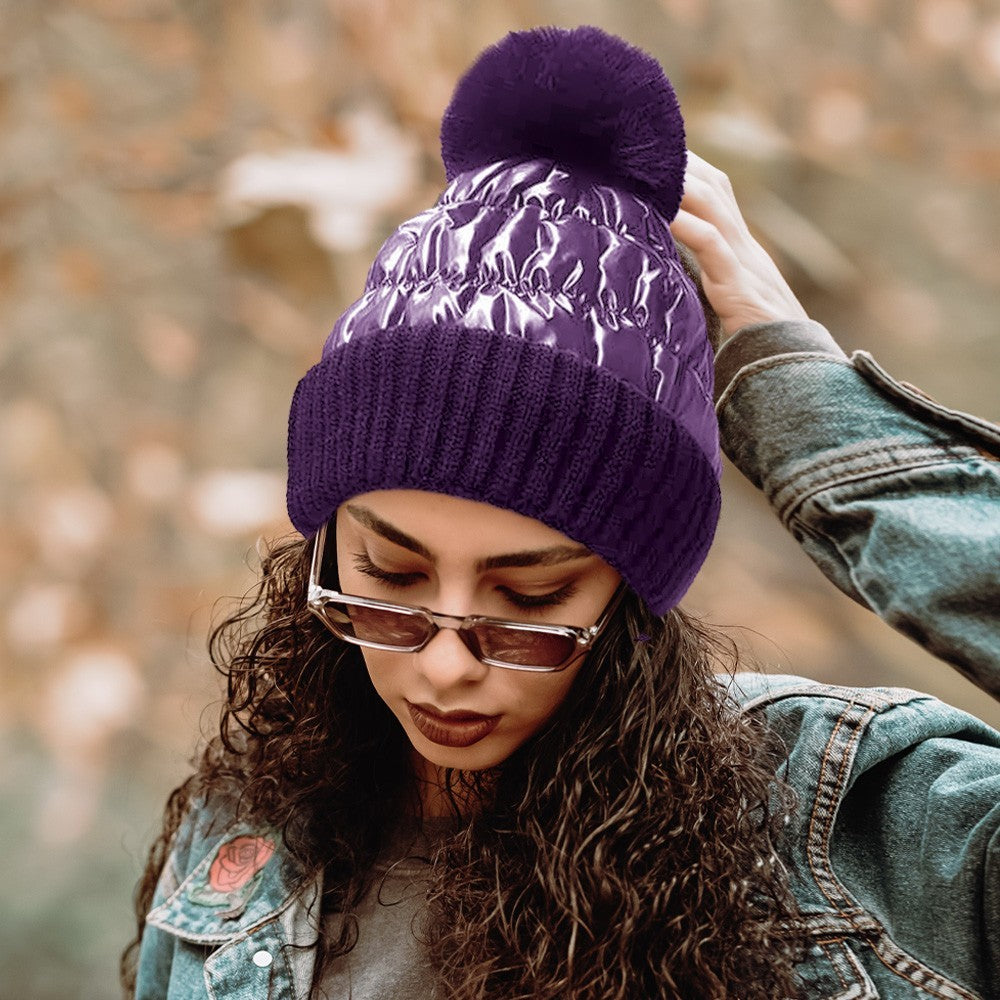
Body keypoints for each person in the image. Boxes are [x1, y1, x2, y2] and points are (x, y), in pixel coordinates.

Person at [121, 25, 1000, 1000]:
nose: (444, 665)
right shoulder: (245, 843)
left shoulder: (851, 822)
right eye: (389, 577)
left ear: (631, 592)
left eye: (529, 595)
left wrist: (810, 416)